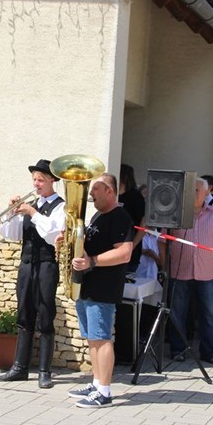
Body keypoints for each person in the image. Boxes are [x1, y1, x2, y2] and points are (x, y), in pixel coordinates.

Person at [64, 173, 134, 407]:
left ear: (110, 191)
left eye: (96, 189)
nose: (91, 193)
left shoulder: (120, 217)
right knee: (93, 338)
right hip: (88, 286)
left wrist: (91, 262)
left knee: (102, 339)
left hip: (104, 287)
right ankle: (96, 383)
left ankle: (104, 391)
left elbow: (124, 253)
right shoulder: (97, 216)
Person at [0, 159, 65, 386]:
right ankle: (19, 367)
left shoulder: (61, 207)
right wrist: (12, 213)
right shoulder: (31, 205)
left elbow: (53, 235)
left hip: (46, 264)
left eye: (41, 180)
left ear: (52, 180)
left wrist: (33, 212)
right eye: (34, 179)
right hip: (26, 264)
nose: (36, 184)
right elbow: (12, 234)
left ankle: (44, 371)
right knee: (24, 314)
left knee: (45, 314)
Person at [167, 177, 213, 364]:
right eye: (190, 189)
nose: (193, 193)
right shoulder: (176, 213)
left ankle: (208, 352)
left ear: (206, 192)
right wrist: (165, 265)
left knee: (208, 315)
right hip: (179, 272)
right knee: (177, 313)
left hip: (206, 274)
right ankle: (178, 349)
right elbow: (163, 241)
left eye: (196, 190)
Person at [119, 163, 145, 271]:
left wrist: (132, 246)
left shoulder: (135, 197)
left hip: (130, 250)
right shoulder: (114, 195)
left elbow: (143, 222)